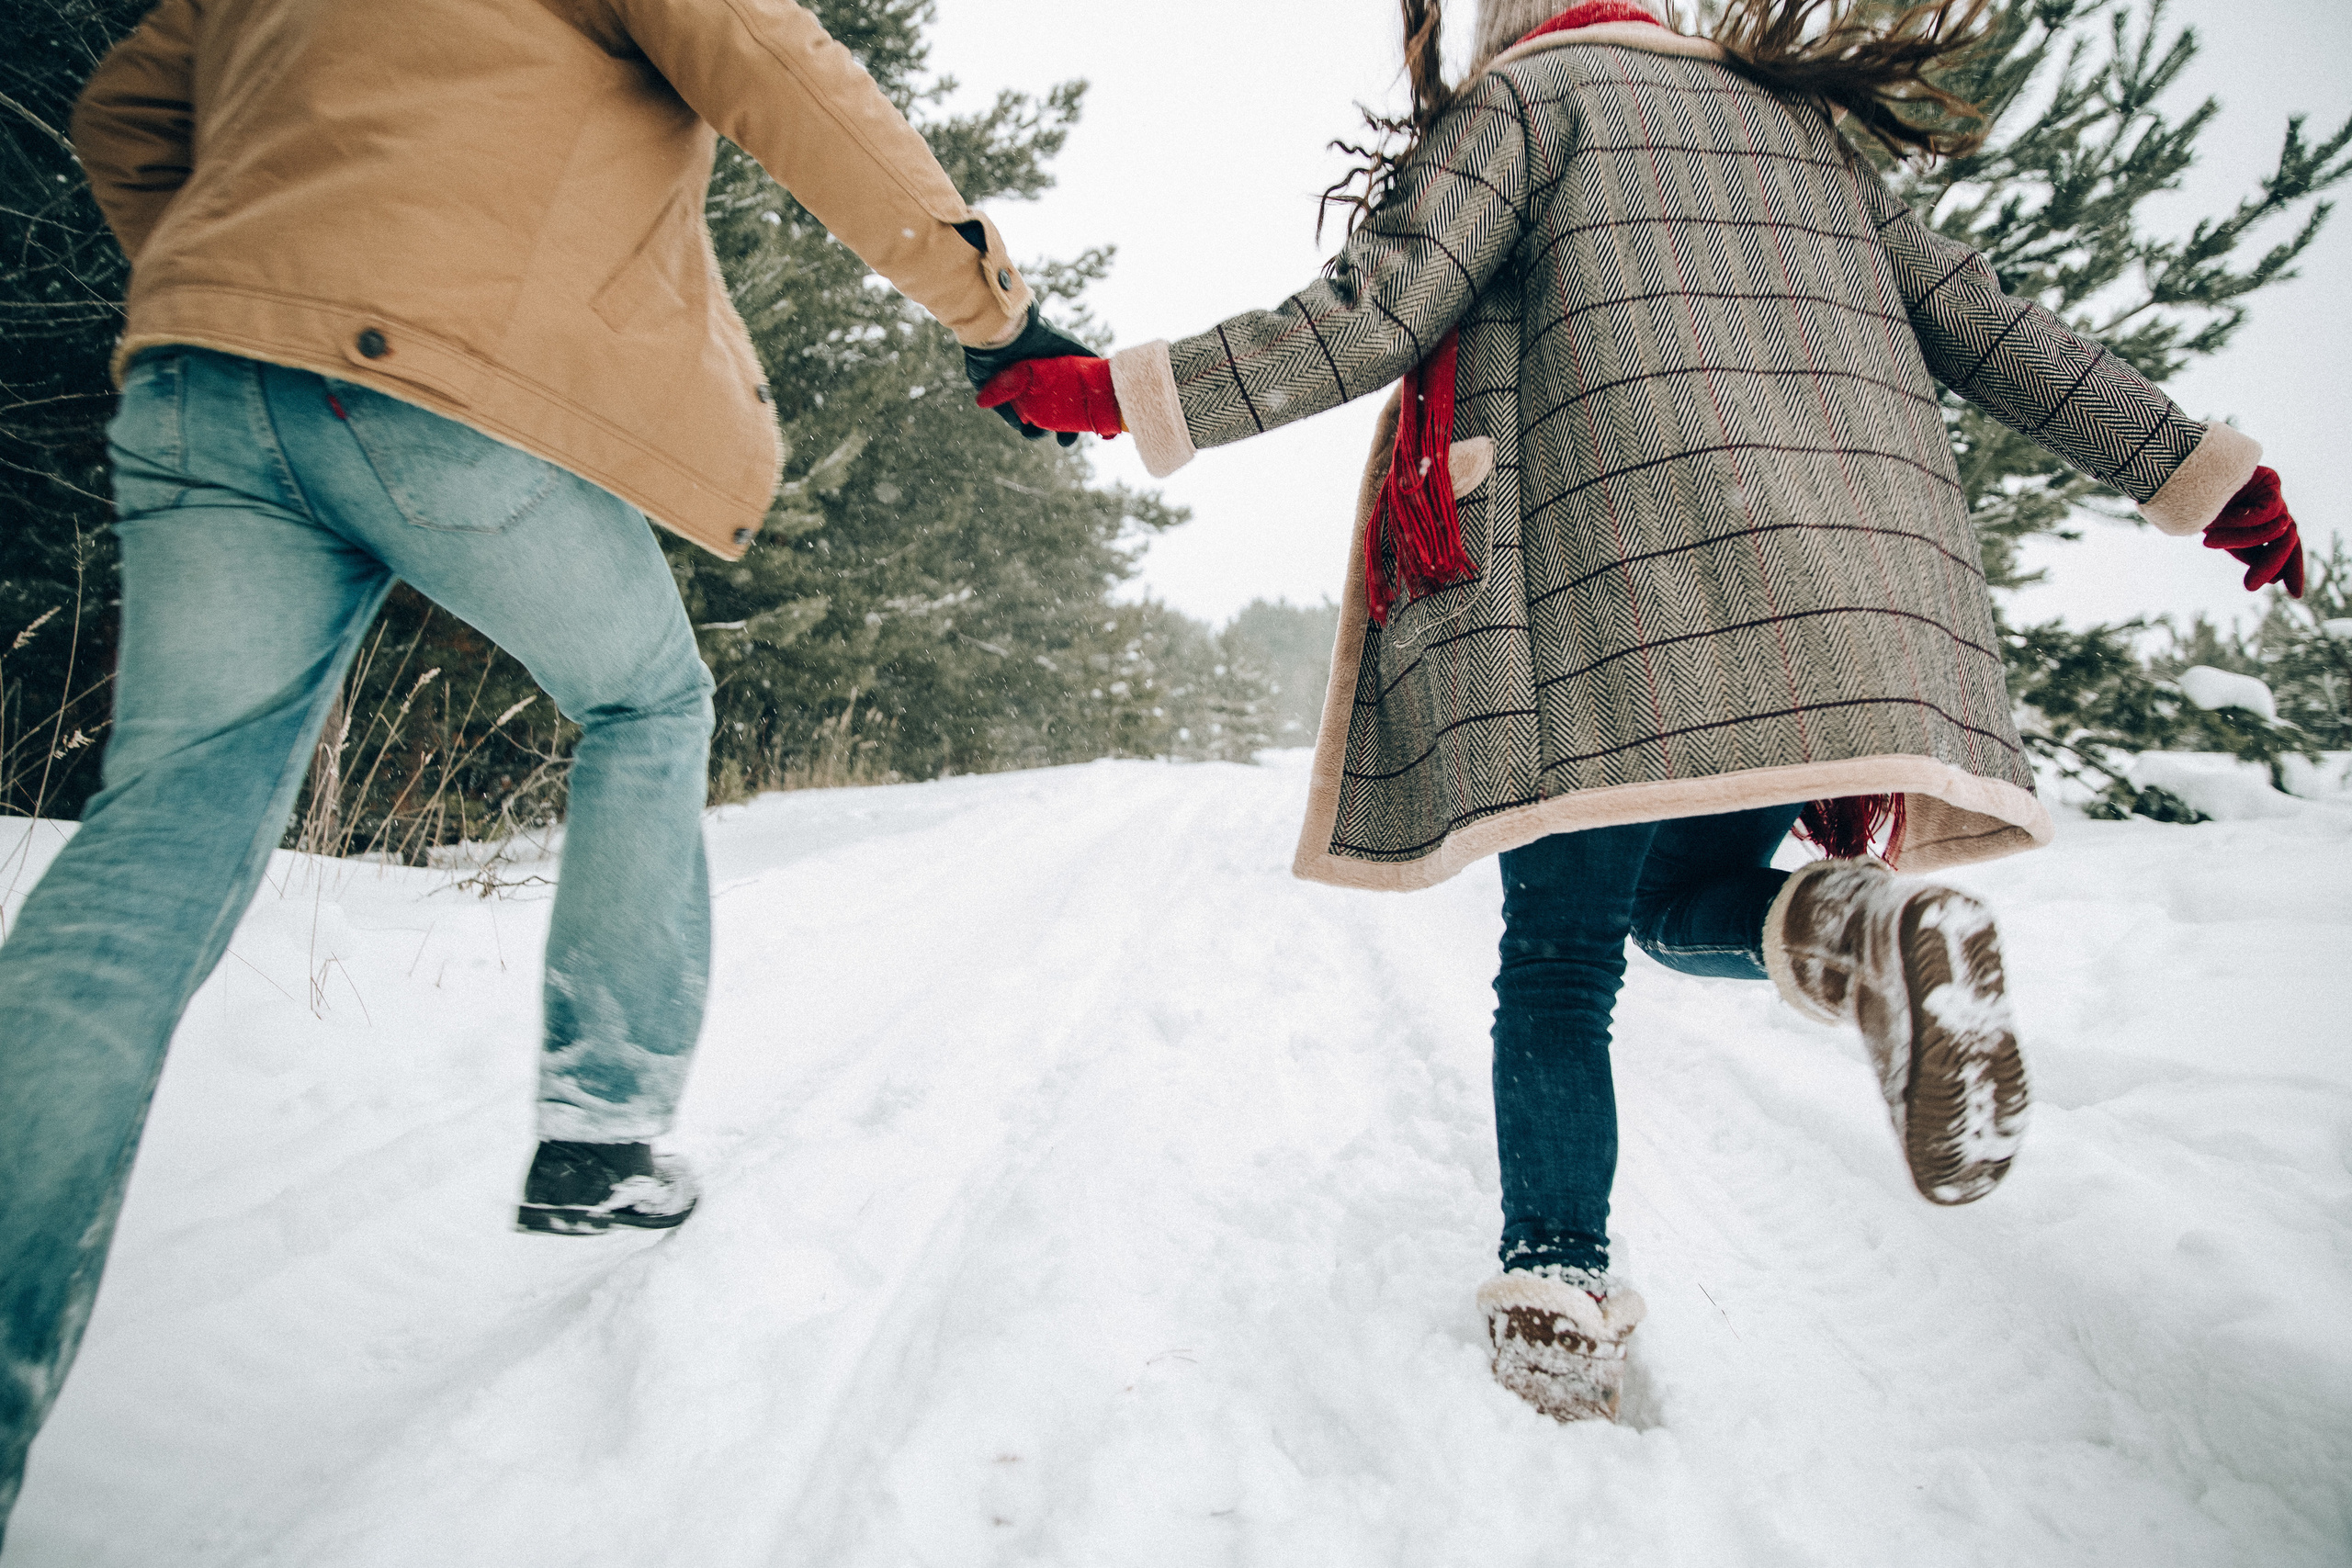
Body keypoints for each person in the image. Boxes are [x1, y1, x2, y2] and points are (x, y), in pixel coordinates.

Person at [978, 0, 2307, 1424]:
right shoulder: (1798, 130)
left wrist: (1115, 396)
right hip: (1816, 592)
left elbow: (1376, 312)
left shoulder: (1531, 103)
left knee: (1560, 959)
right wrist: (2198, 473)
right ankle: (1860, 922)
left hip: (1616, 575)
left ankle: (1555, 1284)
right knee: (1697, 894)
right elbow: (1988, 327)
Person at [0, 0, 1091, 1538]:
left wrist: (240, 271)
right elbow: (789, 81)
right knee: (647, 704)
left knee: (140, 863)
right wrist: (994, 311)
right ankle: (600, 1129)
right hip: (432, 381)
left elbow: (124, 109)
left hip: (199, 368)